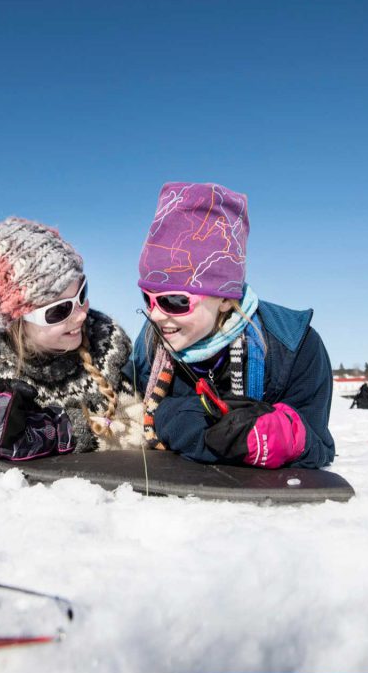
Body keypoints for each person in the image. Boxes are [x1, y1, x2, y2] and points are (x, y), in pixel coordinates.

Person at [132, 182, 336, 469]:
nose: (154, 315)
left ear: (226, 299)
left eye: (174, 301)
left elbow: (320, 445)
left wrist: (288, 437)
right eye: (148, 298)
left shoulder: (295, 346)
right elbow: (128, 407)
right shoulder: (152, 341)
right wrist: (184, 421)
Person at [0, 217, 133, 452]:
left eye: (81, 294)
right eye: (59, 310)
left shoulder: (108, 344)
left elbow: (136, 421)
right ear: (15, 324)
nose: (80, 315)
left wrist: (68, 432)